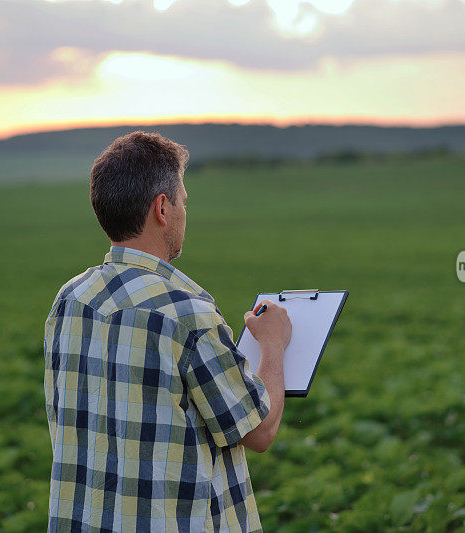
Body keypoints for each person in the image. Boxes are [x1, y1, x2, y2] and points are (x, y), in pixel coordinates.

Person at [43, 131, 291, 532]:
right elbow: (259, 430)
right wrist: (274, 346)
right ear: (163, 207)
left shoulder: (70, 300)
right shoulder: (186, 312)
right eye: (183, 202)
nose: (184, 212)